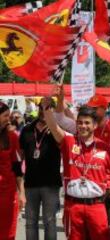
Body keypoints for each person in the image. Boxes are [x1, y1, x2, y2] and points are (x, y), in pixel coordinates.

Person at [41, 99, 110, 240]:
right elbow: (54, 127)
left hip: (97, 206)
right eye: (80, 122)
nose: (83, 126)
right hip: (73, 206)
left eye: (87, 123)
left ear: (94, 125)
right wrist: (46, 108)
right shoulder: (69, 142)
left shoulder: (105, 148)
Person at [19, 97, 62, 240]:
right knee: (30, 223)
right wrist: (19, 185)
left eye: (48, 108)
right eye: (41, 107)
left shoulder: (57, 130)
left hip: (50, 184)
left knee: (50, 222)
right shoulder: (27, 130)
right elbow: (20, 156)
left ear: (53, 110)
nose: (44, 111)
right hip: (30, 183)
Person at [0, 101, 26, 240]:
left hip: (7, 193)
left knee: (7, 232)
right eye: (5, 115)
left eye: (8, 116)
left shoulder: (12, 136)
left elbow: (17, 166)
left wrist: (21, 192)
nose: (8, 119)